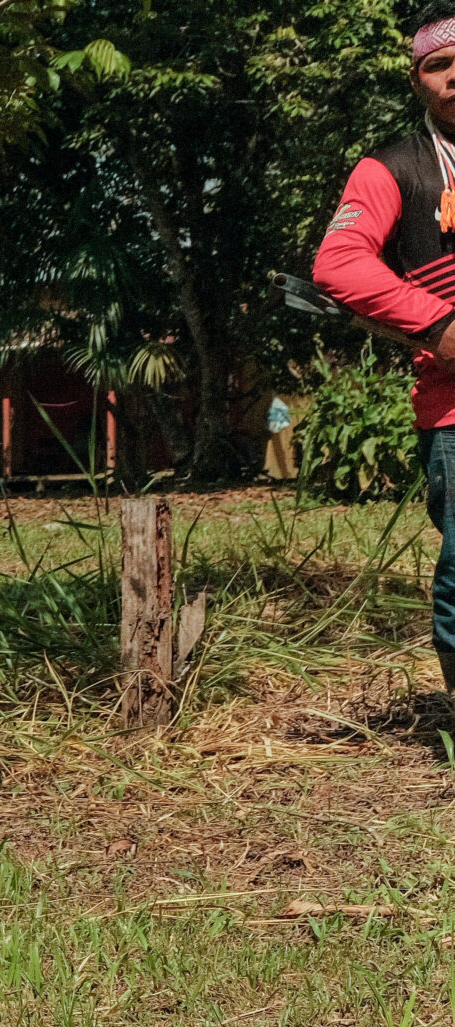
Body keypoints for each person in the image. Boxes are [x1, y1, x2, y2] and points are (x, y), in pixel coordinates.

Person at [314, 1, 455, 690]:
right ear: (416, 81)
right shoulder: (393, 167)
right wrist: (436, 324)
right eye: (439, 65)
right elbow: (339, 261)